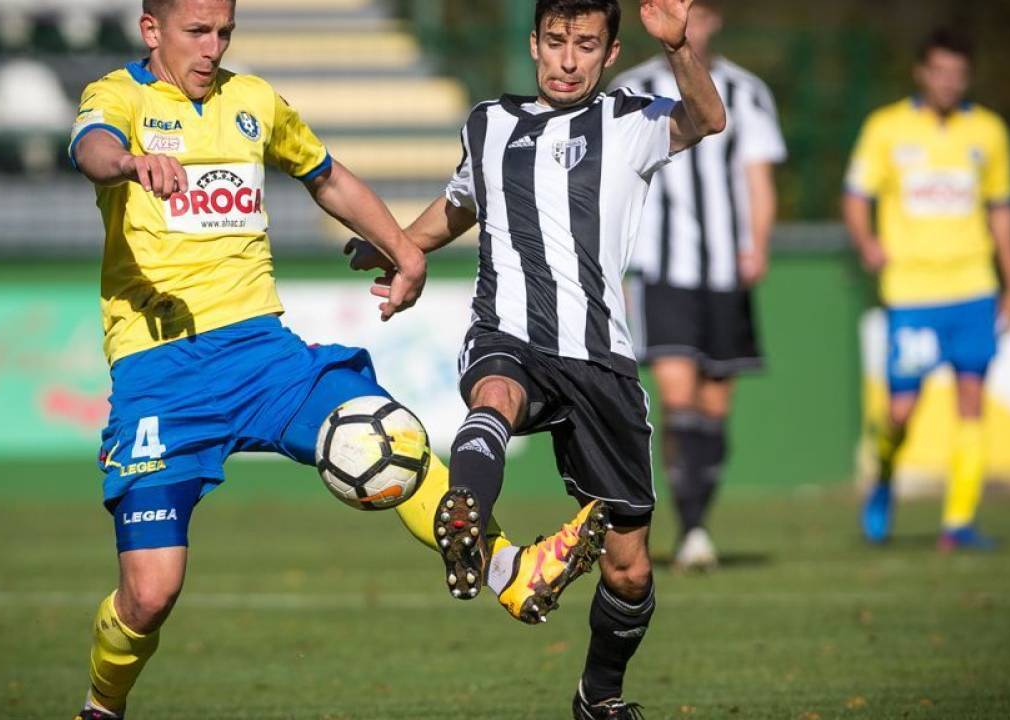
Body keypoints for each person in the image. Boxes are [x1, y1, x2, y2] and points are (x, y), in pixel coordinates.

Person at [65, 0, 590, 716]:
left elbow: (328, 177)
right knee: (151, 594)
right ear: (151, 30)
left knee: (387, 434)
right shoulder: (118, 97)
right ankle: (102, 704)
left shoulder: (253, 100)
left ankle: (511, 571)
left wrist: (404, 249)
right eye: (197, 33)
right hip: (161, 371)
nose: (213, 48)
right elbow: (91, 149)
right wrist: (131, 162)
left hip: (262, 353)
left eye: (224, 33)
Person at [349, 0, 724, 715]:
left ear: (610, 54)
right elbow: (461, 204)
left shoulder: (630, 121)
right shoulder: (488, 124)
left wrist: (679, 48)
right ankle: (467, 517)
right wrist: (399, 246)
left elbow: (707, 118)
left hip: (600, 358)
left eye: (585, 45)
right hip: (509, 331)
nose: (568, 60)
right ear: (534, 44)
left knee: (629, 569)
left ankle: (598, 697)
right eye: (555, 42)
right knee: (495, 393)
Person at [609, 0, 785, 569]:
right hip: (661, 269)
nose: (692, 23)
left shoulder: (747, 91)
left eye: (701, 13)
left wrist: (758, 243)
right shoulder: (632, 89)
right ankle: (690, 528)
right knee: (677, 397)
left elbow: (757, 177)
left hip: (725, 270)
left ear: (714, 20)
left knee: (714, 407)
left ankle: (697, 522)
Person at [843, 28, 1010, 551]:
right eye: (940, 71)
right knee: (901, 411)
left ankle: (958, 523)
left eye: (958, 74)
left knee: (972, 398)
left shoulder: (988, 130)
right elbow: (856, 196)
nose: (948, 82)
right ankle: (883, 477)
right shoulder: (886, 127)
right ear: (922, 73)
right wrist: (867, 241)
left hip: (974, 287)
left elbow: (1001, 209)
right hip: (912, 292)